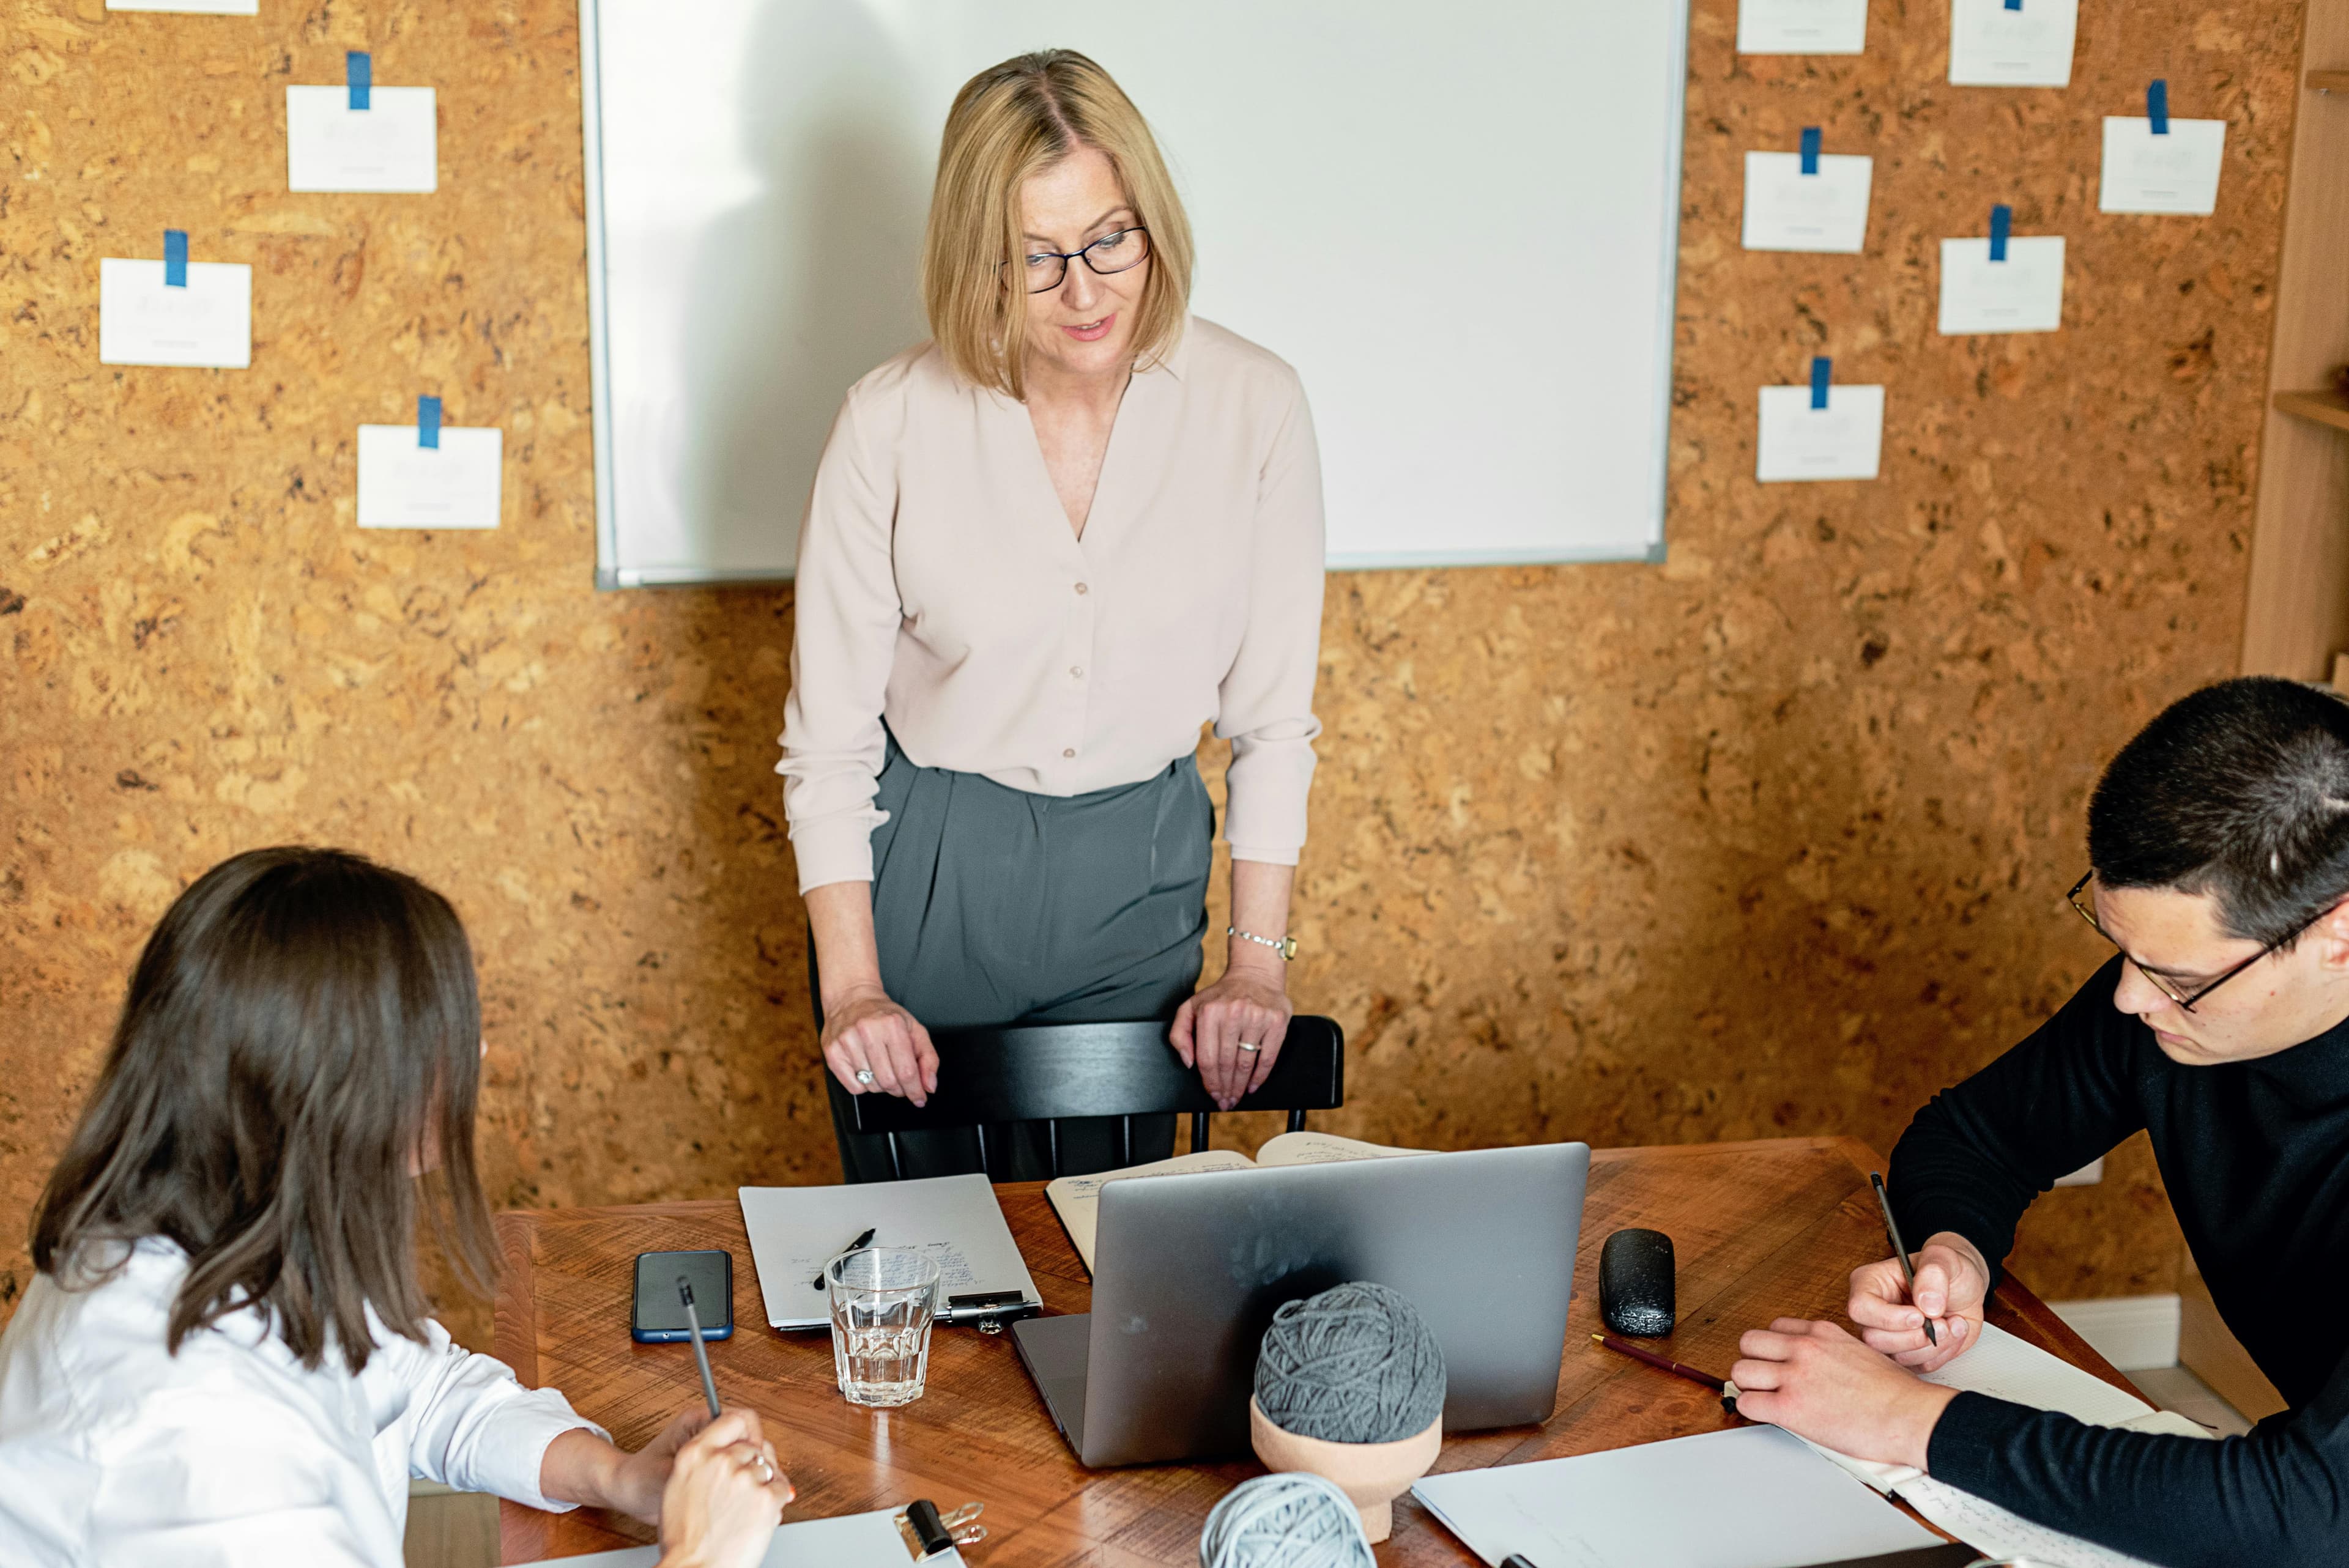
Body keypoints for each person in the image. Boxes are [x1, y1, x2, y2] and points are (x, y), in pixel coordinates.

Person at [778, 48, 1326, 1182]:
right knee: (935, 1259)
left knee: (1113, 1269)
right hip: (932, 868)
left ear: (1152, 222)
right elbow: (827, 749)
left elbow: (1273, 727)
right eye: (1037, 259)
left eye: (1109, 240)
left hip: (1142, 873)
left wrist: (1256, 964)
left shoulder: (1255, 408)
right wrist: (855, 989)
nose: (1085, 294)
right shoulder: (886, 425)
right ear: (977, 260)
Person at [0, 846, 793, 1568]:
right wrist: (702, 1556)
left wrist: (617, 1476)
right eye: (441, 1034)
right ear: (337, 1085)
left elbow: (418, 1388)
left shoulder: (238, 1223)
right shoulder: (197, 1446)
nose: (476, 1057)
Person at [1731, 676, 2349, 1566]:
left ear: (2337, 934)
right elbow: (1978, 1136)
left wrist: (1915, 1421)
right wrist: (1953, 1253)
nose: (2131, 1000)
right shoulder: (2170, 1000)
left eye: (2176, 978)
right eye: (2119, 949)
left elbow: (2307, 1515)